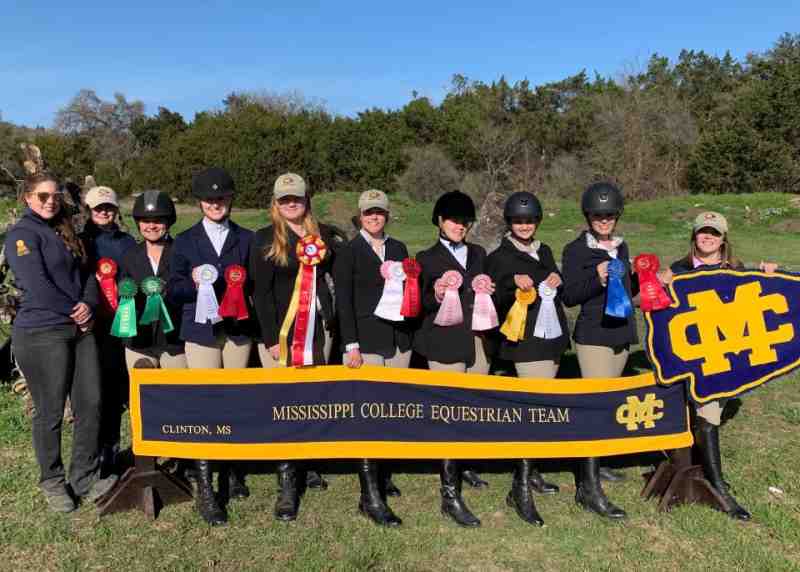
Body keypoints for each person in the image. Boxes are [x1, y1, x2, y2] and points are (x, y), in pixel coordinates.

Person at [5, 172, 117, 513]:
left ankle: (84, 475)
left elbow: (86, 274)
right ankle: (52, 481)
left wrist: (88, 304)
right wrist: (73, 309)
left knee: (90, 403)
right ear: (27, 198)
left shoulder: (65, 228)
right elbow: (35, 284)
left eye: (54, 195)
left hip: (79, 331)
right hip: (42, 332)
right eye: (42, 196)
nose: (50, 201)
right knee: (50, 411)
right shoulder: (22, 234)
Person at [658, 211, 777, 521]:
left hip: (722, 357)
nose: (707, 237)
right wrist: (658, 285)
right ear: (694, 236)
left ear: (724, 239)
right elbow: (649, 307)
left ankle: (711, 479)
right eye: (702, 232)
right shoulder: (679, 269)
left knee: (708, 412)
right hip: (686, 355)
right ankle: (707, 479)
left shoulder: (736, 270)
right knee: (696, 412)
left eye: (714, 233)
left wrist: (769, 277)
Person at [250, 172, 341, 521]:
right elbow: (260, 294)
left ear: (306, 201)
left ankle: (308, 463)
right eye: (285, 199)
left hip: (319, 329)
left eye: (297, 199)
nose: (292, 204)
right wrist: (272, 339)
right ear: (276, 203)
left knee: (311, 400)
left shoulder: (324, 237)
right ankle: (287, 481)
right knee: (284, 404)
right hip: (283, 336)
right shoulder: (264, 240)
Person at [168, 167, 254, 526]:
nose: (215, 203)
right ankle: (205, 486)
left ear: (230, 199)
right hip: (201, 331)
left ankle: (231, 467)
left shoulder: (247, 239)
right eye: (209, 199)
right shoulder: (185, 241)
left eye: (221, 198)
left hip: (237, 331)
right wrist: (193, 282)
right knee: (205, 403)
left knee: (233, 400)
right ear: (200, 202)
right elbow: (172, 289)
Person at [486, 191, 569, 527]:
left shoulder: (544, 250)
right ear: (509, 222)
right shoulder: (499, 255)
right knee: (532, 413)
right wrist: (511, 283)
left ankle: (532, 472)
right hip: (527, 344)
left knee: (543, 409)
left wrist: (557, 280)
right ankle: (519, 487)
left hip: (552, 340)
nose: (524, 225)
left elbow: (551, 287)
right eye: (519, 220)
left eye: (530, 220)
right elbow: (493, 290)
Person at [413, 190, 492, 527]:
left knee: (472, 405)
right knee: (448, 412)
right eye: (454, 221)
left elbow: (490, 293)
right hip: (444, 342)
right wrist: (437, 291)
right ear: (440, 222)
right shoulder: (425, 257)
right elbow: (421, 304)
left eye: (464, 221)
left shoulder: (478, 252)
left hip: (477, 340)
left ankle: (467, 463)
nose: (461, 226)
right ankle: (449, 492)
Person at [333, 189, 410, 527]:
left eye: (379, 212)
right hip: (365, 340)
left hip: (398, 340)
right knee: (368, 415)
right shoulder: (349, 252)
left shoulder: (399, 248)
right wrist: (350, 344)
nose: (374, 217)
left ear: (386, 215)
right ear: (359, 216)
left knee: (391, 409)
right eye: (368, 213)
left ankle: (384, 475)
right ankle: (369, 496)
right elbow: (344, 303)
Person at [561, 182, 637, 520]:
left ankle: (598, 464)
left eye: (609, 215)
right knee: (593, 408)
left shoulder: (623, 247)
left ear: (617, 216)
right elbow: (570, 296)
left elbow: (631, 290)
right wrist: (597, 276)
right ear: (587, 216)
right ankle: (588, 488)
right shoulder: (576, 250)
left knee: (607, 406)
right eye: (597, 215)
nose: (603, 220)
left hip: (620, 334)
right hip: (593, 335)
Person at [80, 185, 137, 476]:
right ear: (88, 210)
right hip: (90, 328)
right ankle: (95, 454)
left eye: (109, 207)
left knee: (118, 393)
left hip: (122, 327)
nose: (104, 212)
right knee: (94, 396)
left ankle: (119, 452)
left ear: (116, 210)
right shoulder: (78, 242)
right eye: (98, 207)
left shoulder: (128, 242)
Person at [119, 190, 187, 369]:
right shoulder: (129, 256)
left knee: (177, 393)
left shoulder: (182, 252)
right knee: (142, 393)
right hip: (139, 341)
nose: (151, 226)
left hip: (175, 339)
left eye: (158, 220)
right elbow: (123, 296)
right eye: (145, 221)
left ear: (168, 221)